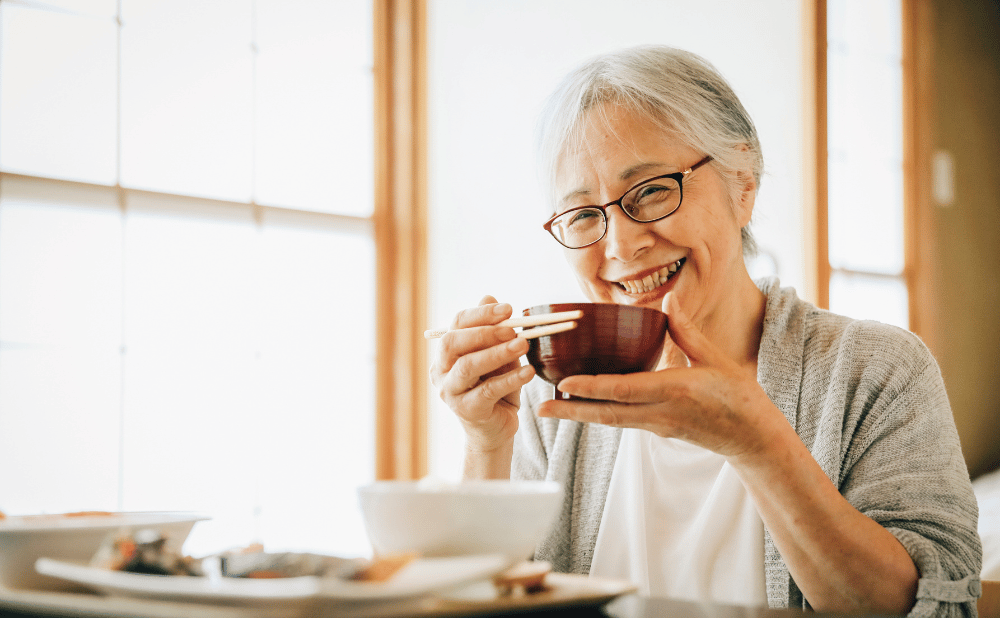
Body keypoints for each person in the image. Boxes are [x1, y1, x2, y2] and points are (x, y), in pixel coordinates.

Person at [429, 45, 981, 616]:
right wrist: (486, 443)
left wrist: (759, 445)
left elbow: (939, 609)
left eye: (650, 191)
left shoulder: (876, 370)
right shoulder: (556, 395)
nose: (620, 246)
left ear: (742, 182)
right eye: (586, 215)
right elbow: (484, 602)